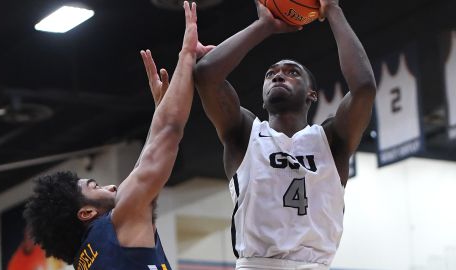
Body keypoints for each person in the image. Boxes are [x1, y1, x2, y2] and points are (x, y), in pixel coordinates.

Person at [24, 2, 212, 269]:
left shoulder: (89, 255)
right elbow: (168, 136)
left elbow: (146, 166)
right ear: (86, 212)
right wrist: (186, 55)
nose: (111, 186)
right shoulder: (118, 223)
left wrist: (160, 111)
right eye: (95, 187)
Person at [193, 0, 377, 269]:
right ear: (263, 98)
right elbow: (206, 74)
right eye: (271, 74)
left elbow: (364, 88)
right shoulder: (245, 133)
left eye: (292, 73)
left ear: (311, 94)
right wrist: (263, 26)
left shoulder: (331, 139)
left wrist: (333, 10)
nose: (278, 76)